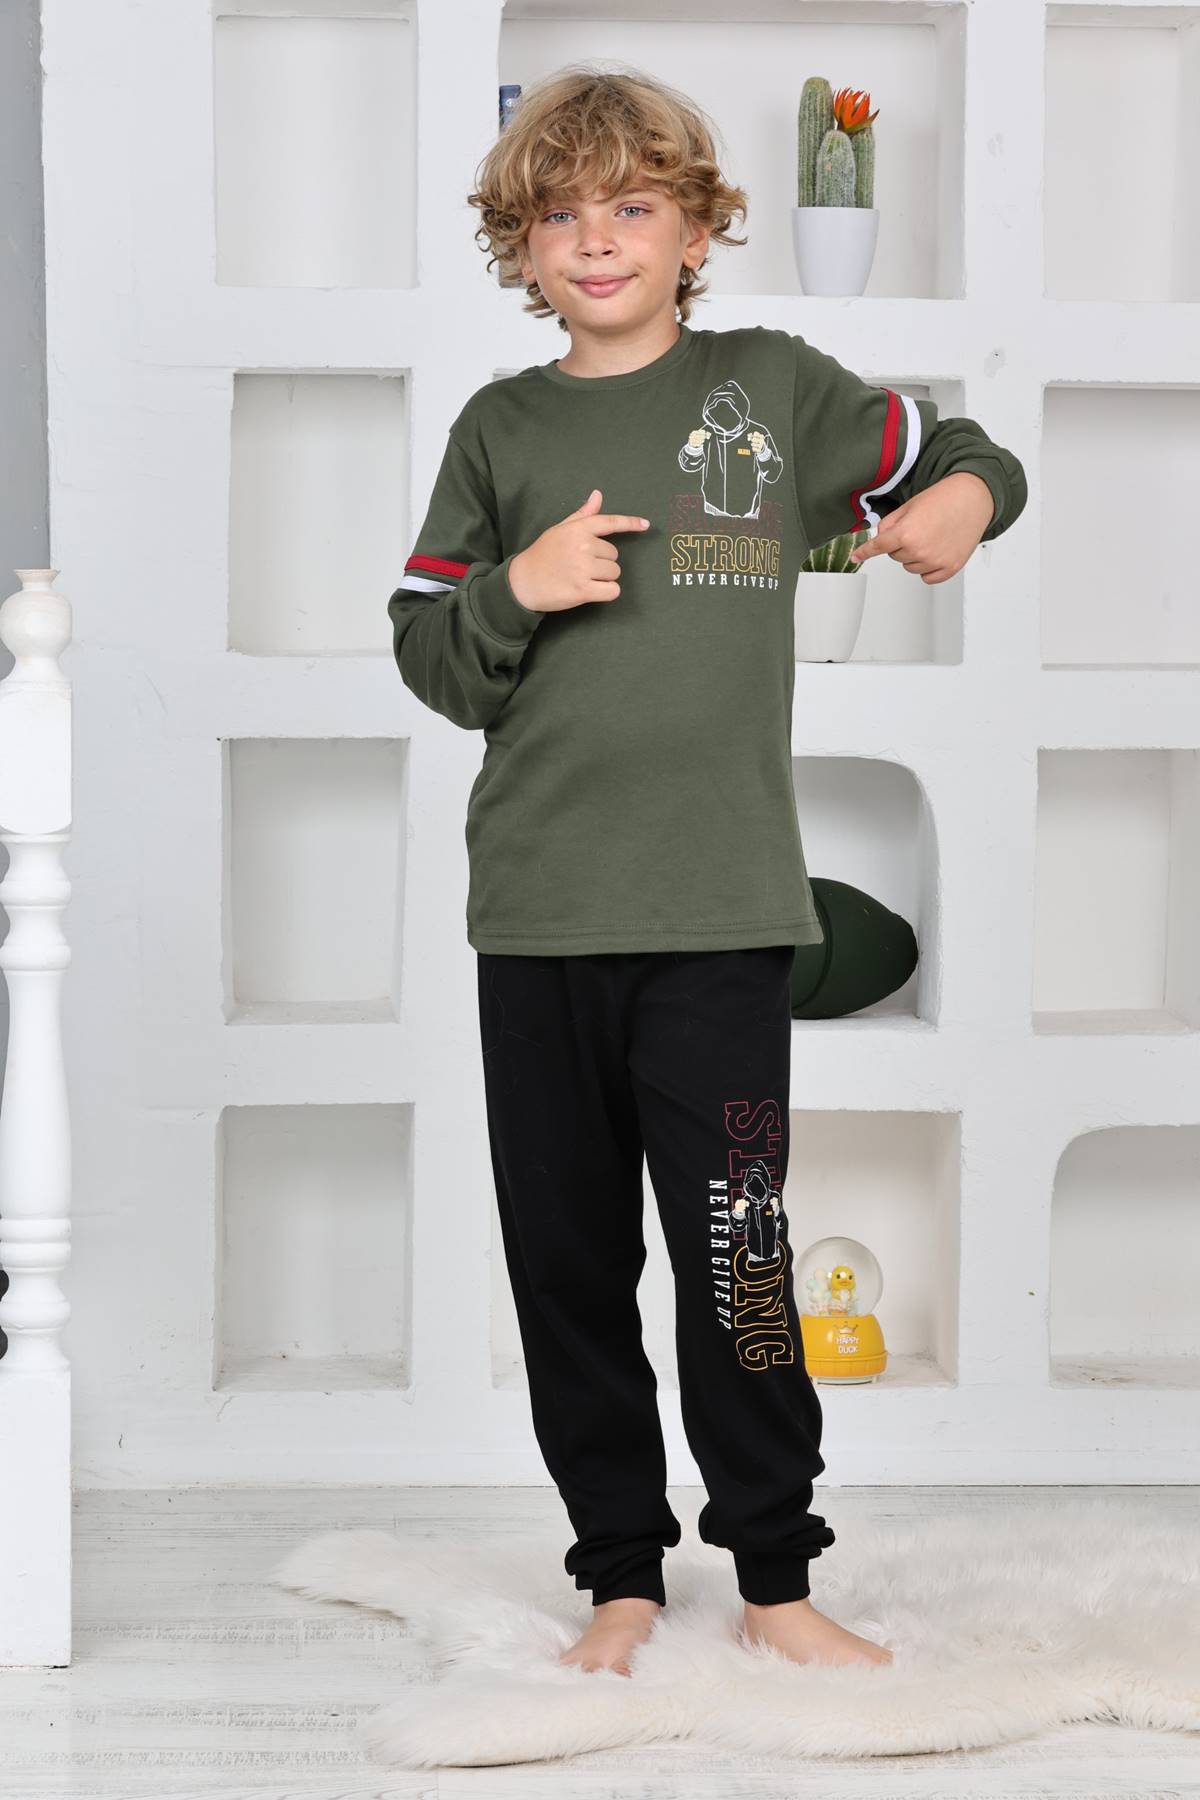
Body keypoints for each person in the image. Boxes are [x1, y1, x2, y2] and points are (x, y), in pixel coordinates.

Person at [387, 66, 1027, 1679]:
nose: (596, 239)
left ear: (695, 229)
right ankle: (618, 1573)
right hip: (540, 924)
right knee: (568, 1267)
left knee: (739, 1257)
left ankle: (774, 1579)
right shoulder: (501, 430)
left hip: (727, 927)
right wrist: (521, 587)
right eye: (559, 215)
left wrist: (960, 501)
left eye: (634, 206)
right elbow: (431, 655)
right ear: (520, 247)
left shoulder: (776, 388)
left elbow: (965, 453)